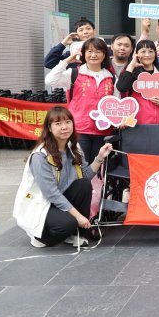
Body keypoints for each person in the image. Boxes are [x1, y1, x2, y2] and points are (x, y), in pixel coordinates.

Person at [23, 106, 113, 248]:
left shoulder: (73, 147)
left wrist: (100, 157)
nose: (64, 127)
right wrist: (78, 217)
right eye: (58, 123)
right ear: (49, 128)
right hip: (43, 205)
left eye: (67, 122)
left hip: (61, 200)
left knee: (83, 184)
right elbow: (52, 194)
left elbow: (85, 175)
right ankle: (41, 237)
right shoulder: (40, 156)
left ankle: (78, 234)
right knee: (68, 223)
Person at [44, 37, 117, 162]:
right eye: (89, 51)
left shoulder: (111, 77)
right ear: (83, 53)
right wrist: (67, 61)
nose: (93, 55)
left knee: (98, 165)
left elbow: (116, 102)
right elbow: (50, 80)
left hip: (103, 130)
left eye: (98, 51)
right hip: (79, 129)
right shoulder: (74, 73)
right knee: (78, 164)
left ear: (104, 54)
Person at [116, 40, 159, 124]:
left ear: (155, 54)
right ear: (136, 54)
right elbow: (121, 87)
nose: (147, 55)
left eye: (151, 51)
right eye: (143, 51)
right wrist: (131, 66)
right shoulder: (131, 72)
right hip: (137, 122)